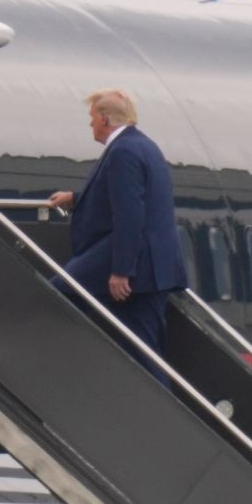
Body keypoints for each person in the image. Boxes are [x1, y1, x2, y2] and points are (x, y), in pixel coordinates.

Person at [49, 88, 187, 385]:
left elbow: (130, 214)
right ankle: (159, 413)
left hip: (136, 265)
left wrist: (121, 270)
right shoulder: (144, 146)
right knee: (144, 348)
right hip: (157, 267)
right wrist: (75, 198)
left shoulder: (122, 151)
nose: (90, 126)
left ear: (104, 118)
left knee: (59, 292)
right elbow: (130, 197)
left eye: (92, 119)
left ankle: (62, 374)